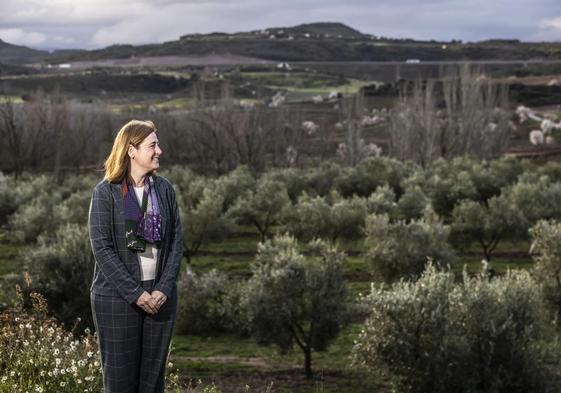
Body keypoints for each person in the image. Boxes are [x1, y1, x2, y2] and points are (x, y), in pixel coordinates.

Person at [88, 119, 183, 393]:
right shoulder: (105, 193)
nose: (159, 151)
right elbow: (102, 250)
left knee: (153, 384)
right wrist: (136, 294)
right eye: (153, 145)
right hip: (117, 301)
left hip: (160, 299)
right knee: (120, 384)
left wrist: (162, 289)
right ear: (132, 150)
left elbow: (176, 241)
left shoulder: (164, 189)